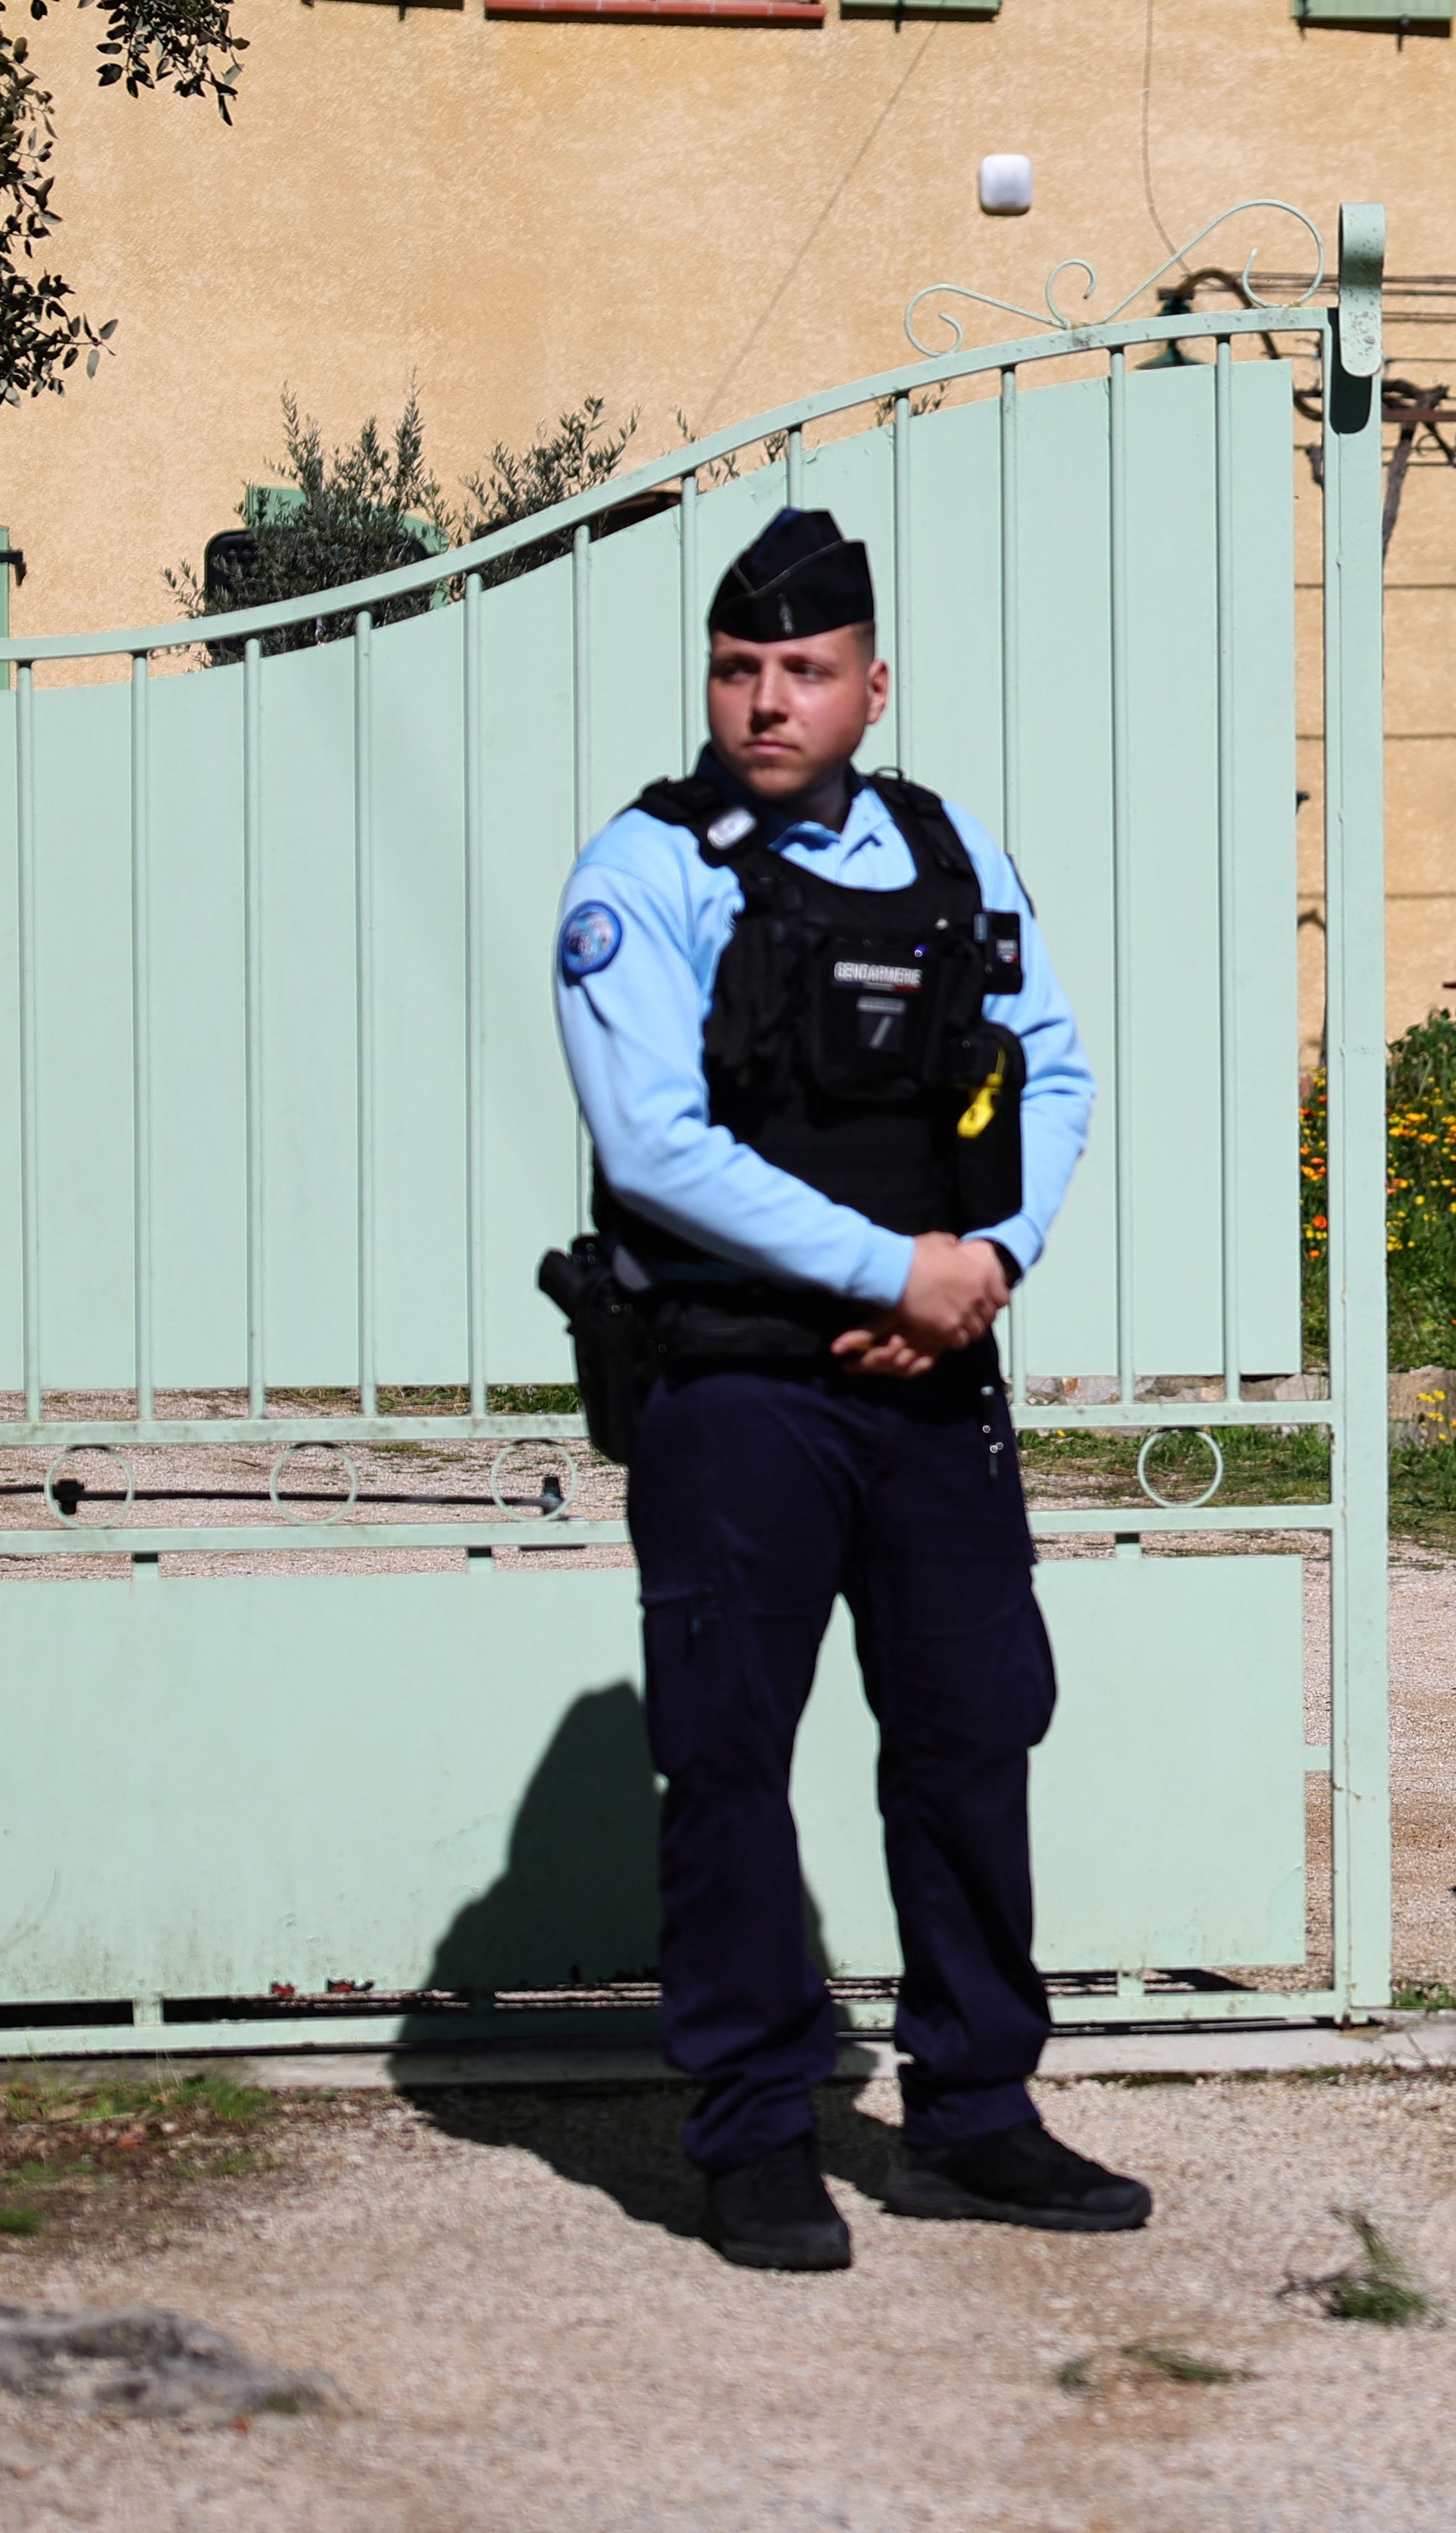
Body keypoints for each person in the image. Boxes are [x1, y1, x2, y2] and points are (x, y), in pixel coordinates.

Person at [551, 505, 1148, 2268]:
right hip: (737, 1388)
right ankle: (749, 2136)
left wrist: (990, 1267)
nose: (763, 701)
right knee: (728, 1759)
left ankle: (974, 2109)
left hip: (931, 1386)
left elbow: (1051, 1067)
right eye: (737, 669)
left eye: (802, 672)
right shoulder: (645, 872)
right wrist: (895, 1269)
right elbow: (651, 1145)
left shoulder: (953, 857)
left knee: (973, 1739)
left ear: (869, 687)